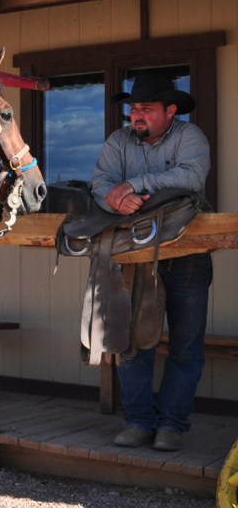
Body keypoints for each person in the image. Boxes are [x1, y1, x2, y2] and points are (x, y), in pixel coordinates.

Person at [90, 73, 212, 452]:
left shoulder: (190, 137)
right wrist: (114, 198)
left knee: (186, 344)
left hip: (187, 254)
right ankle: (140, 421)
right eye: (133, 108)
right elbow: (99, 182)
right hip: (137, 253)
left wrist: (136, 184)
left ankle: (171, 425)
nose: (136, 115)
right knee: (132, 343)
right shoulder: (118, 140)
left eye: (146, 108)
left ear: (170, 110)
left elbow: (191, 177)